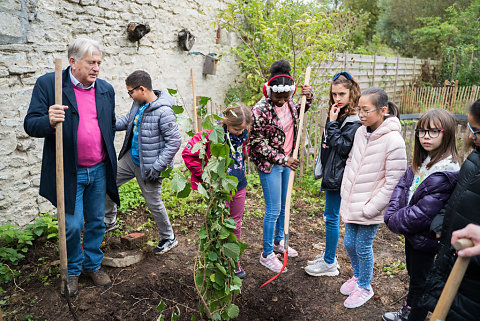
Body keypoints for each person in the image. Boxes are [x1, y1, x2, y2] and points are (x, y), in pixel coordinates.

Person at [24, 38, 119, 297]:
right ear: (73, 62)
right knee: (73, 224)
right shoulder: (50, 85)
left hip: (98, 168)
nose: (97, 68)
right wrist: (49, 120)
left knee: (97, 222)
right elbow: (30, 124)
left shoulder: (106, 89)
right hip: (68, 171)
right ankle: (73, 270)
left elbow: (107, 123)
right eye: (91, 62)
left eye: (99, 62)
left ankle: (93, 265)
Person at [382, 109, 460, 321]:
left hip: (425, 238)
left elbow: (422, 213)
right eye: (422, 131)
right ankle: (409, 310)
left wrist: (392, 219)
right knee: (414, 275)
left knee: (421, 280)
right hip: (413, 235)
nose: (426, 136)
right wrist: (393, 213)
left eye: (434, 131)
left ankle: (413, 316)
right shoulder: (424, 163)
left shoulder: (446, 172)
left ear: (447, 134)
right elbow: (402, 188)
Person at [408, 99, 480, 321]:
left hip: (471, 263)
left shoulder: (447, 168)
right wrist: (442, 220)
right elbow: (457, 197)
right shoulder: (475, 159)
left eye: (476, 130)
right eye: (471, 129)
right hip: (453, 249)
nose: (469, 136)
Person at [339, 87, 407, 308]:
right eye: (359, 109)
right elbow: (351, 162)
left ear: (382, 110)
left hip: (370, 206)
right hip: (352, 201)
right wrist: (345, 190)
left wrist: (371, 208)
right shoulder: (361, 131)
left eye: (365, 110)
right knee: (349, 243)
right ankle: (357, 277)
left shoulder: (394, 141)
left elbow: (393, 182)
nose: (360, 114)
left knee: (362, 246)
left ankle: (365, 287)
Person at [104, 70, 181, 255]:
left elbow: (174, 142)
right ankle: (109, 221)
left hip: (150, 166)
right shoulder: (138, 104)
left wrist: (158, 167)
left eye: (131, 92)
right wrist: (106, 123)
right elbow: (128, 122)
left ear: (142, 89)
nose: (130, 95)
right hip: (132, 158)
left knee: (153, 202)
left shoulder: (163, 111)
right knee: (108, 183)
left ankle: (169, 237)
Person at [248, 59, 313, 273]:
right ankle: (267, 254)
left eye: (286, 97)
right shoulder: (260, 110)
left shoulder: (290, 101)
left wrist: (308, 97)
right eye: (278, 97)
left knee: (284, 205)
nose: (281, 101)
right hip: (270, 164)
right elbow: (255, 144)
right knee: (274, 208)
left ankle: (278, 242)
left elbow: (299, 112)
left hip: (287, 161)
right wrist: (283, 159)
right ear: (269, 91)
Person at [182, 103, 252, 278]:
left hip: (238, 184)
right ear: (226, 122)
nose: (240, 132)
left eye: (243, 129)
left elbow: (243, 150)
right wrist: (206, 176)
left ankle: (233, 260)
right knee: (216, 223)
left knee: (235, 223)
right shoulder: (210, 136)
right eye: (236, 128)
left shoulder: (244, 134)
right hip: (218, 188)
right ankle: (214, 260)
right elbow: (188, 154)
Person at [305, 72, 362, 277]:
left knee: (331, 217)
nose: (337, 98)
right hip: (335, 173)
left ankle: (329, 262)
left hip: (340, 177)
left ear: (352, 93)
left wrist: (332, 122)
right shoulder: (343, 115)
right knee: (330, 216)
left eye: (342, 94)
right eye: (334, 94)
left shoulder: (354, 121)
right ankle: (329, 255)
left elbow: (342, 147)